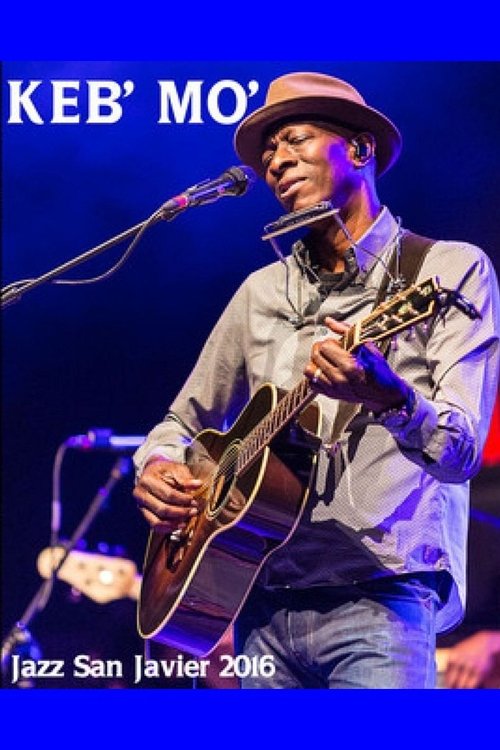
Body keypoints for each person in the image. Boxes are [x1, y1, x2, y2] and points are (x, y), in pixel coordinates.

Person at [133, 72, 500, 688]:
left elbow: (461, 452)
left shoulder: (445, 269)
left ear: (360, 149)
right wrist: (157, 465)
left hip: (382, 599)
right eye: (269, 152)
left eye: (296, 139)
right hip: (258, 601)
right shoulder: (261, 293)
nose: (276, 161)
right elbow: (181, 421)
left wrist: (390, 397)